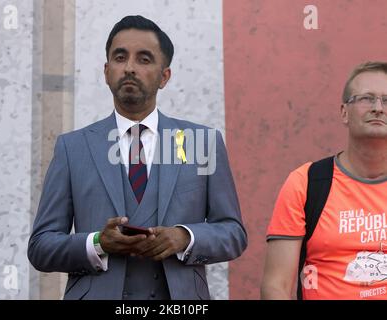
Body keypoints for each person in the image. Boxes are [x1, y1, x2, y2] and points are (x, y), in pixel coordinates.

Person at [28, 15, 247, 300]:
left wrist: (185, 237)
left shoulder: (201, 142)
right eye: (120, 57)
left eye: (144, 59)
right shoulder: (73, 148)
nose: (129, 68)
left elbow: (233, 234)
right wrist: (97, 243)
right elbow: (41, 247)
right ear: (107, 71)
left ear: (164, 76)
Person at [261, 61, 387, 300]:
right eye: (366, 98)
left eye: (386, 100)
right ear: (344, 112)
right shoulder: (306, 182)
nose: (378, 108)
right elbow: (276, 286)